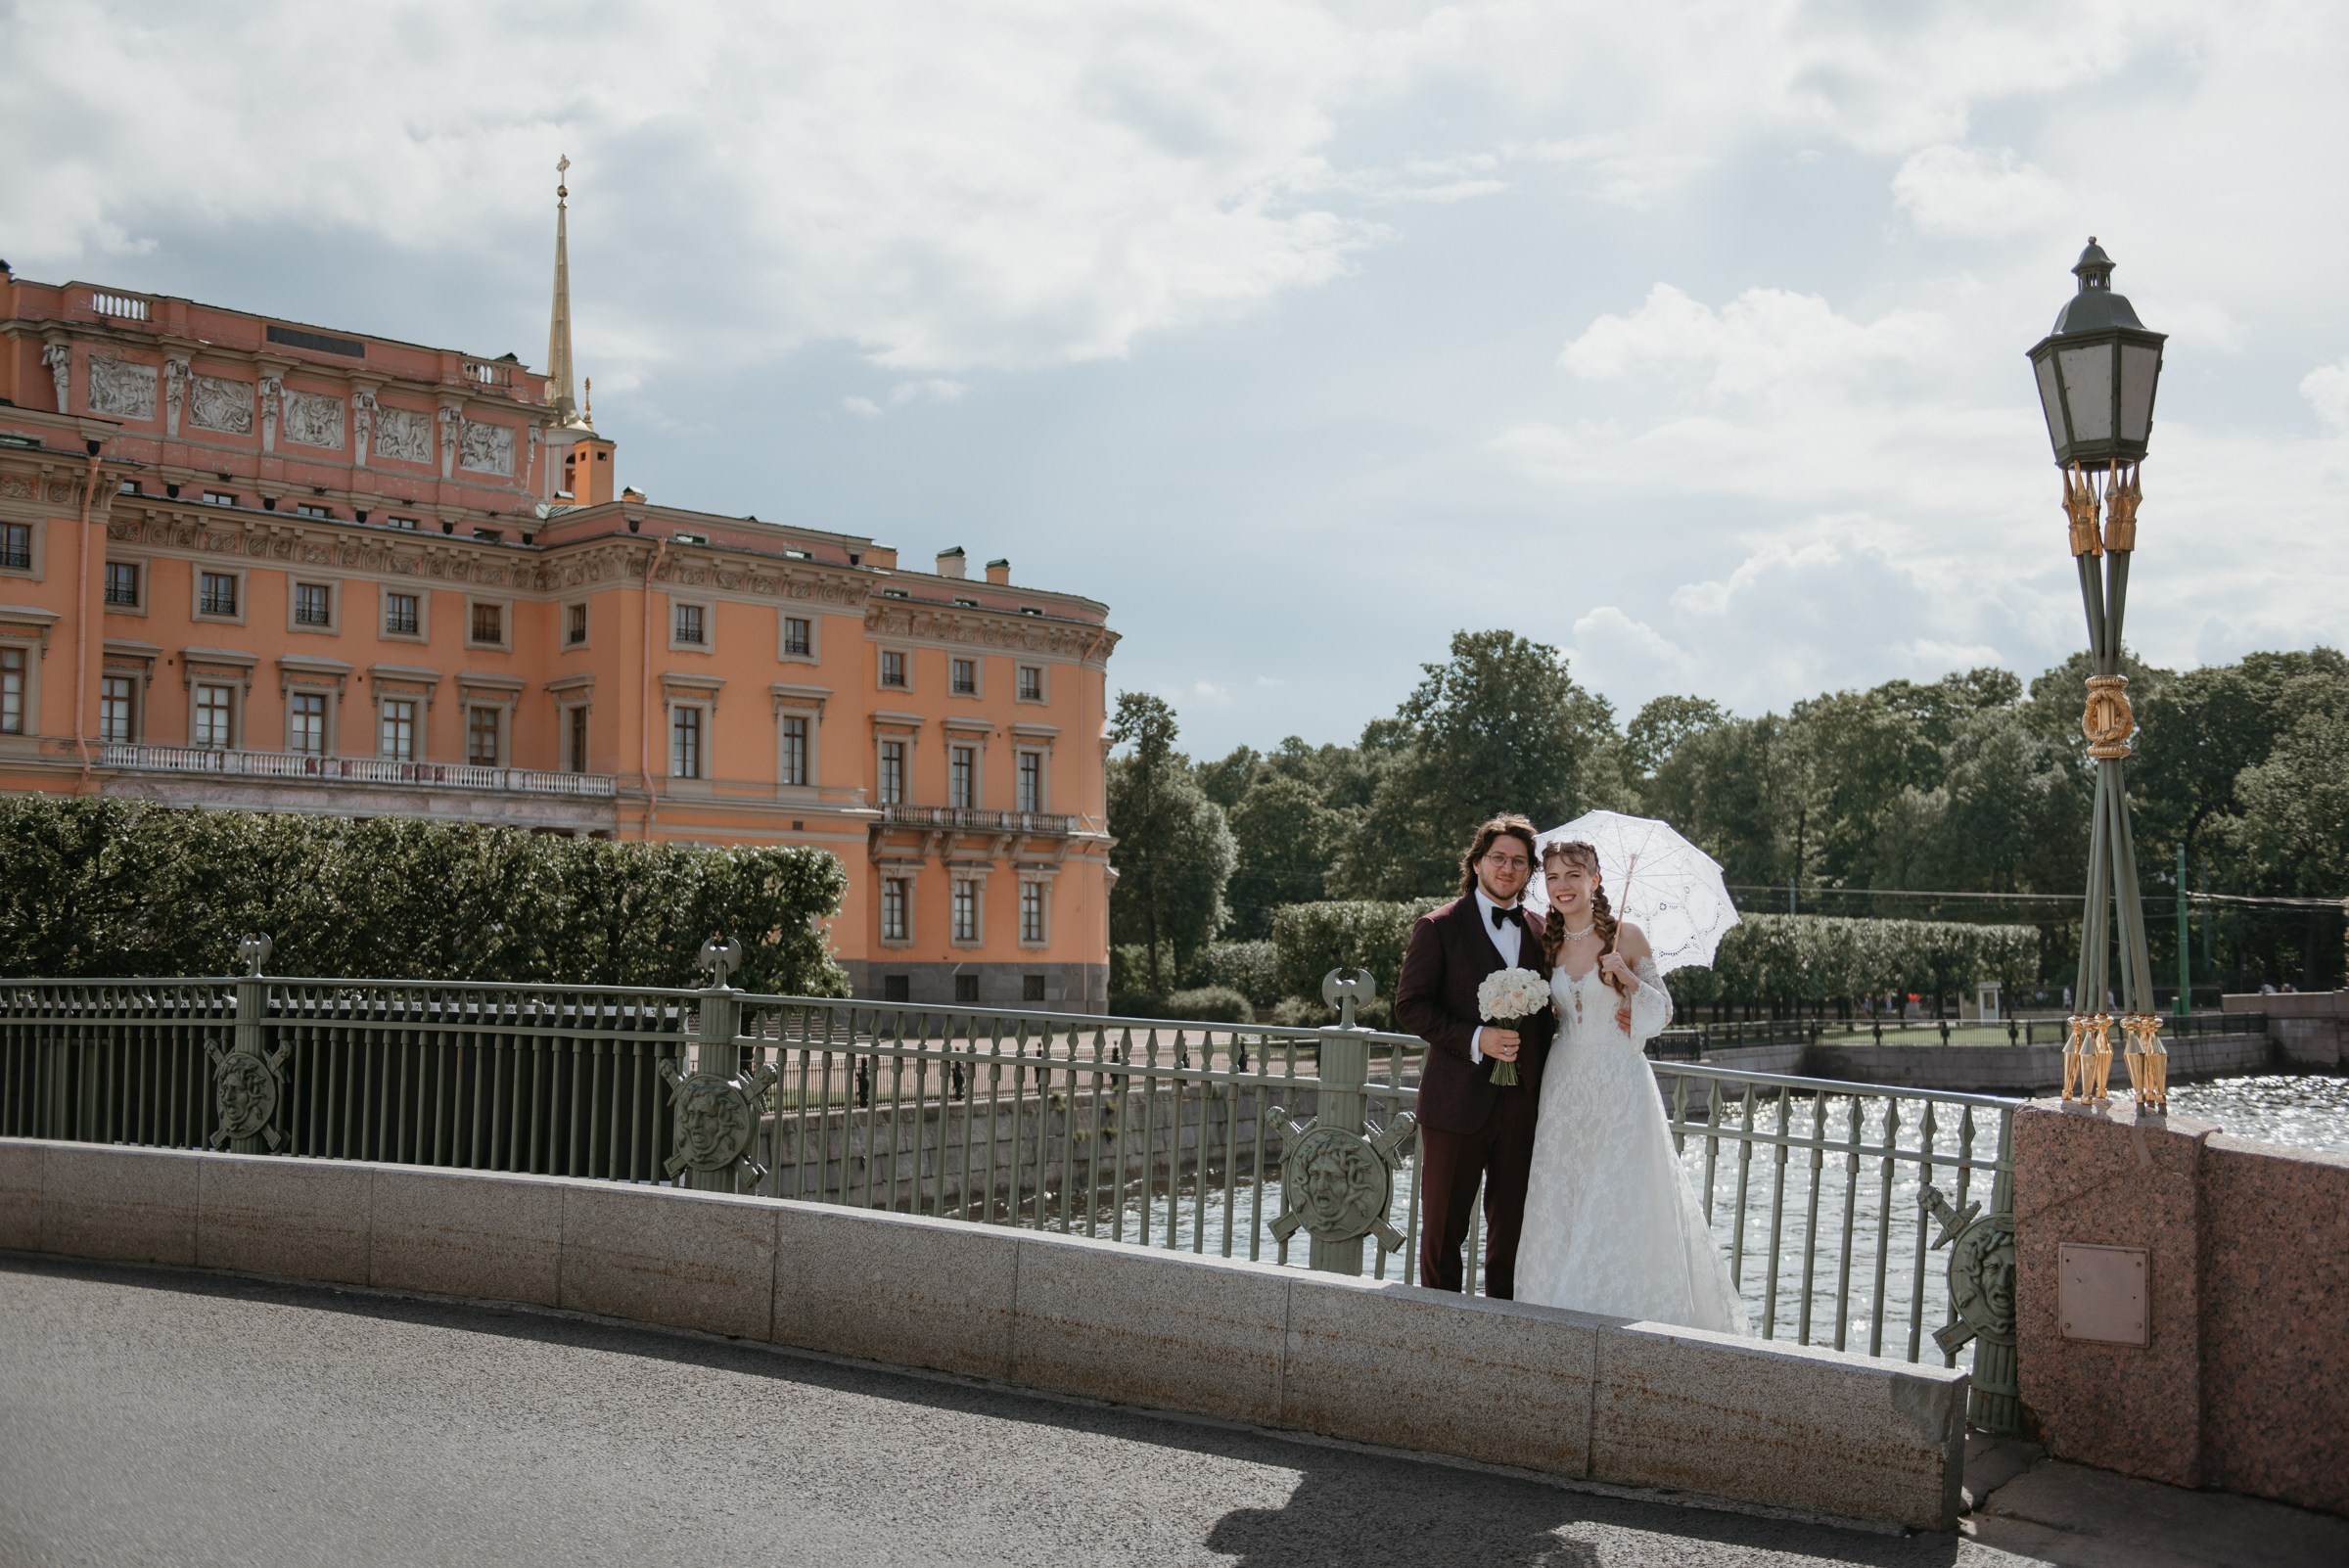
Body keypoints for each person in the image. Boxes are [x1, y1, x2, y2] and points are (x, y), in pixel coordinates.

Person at [1513, 838, 1748, 1334]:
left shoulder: (1628, 936)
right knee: (1566, 1187)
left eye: (1572, 875)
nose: (1562, 886)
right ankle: (1554, 1304)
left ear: (1594, 881)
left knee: (1616, 1187)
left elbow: (1661, 1014)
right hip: (1566, 1079)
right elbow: (1556, 1011)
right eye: (1552, 877)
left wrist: (1629, 980)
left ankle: (1610, 1306)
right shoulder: (1547, 944)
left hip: (1620, 1081)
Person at [1394, 814, 1555, 1298]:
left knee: (1513, 1233)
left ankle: (1502, 1334)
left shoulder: (1543, 932)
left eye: (1519, 861)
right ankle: (1439, 1333)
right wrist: (1475, 1038)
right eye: (1499, 858)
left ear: (1529, 873)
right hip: (1454, 1102)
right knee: (1443, 1231)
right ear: (1478, 862)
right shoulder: (1438, 927)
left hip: (1523, 1105)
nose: (1508, 868)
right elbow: (1409, 1005)